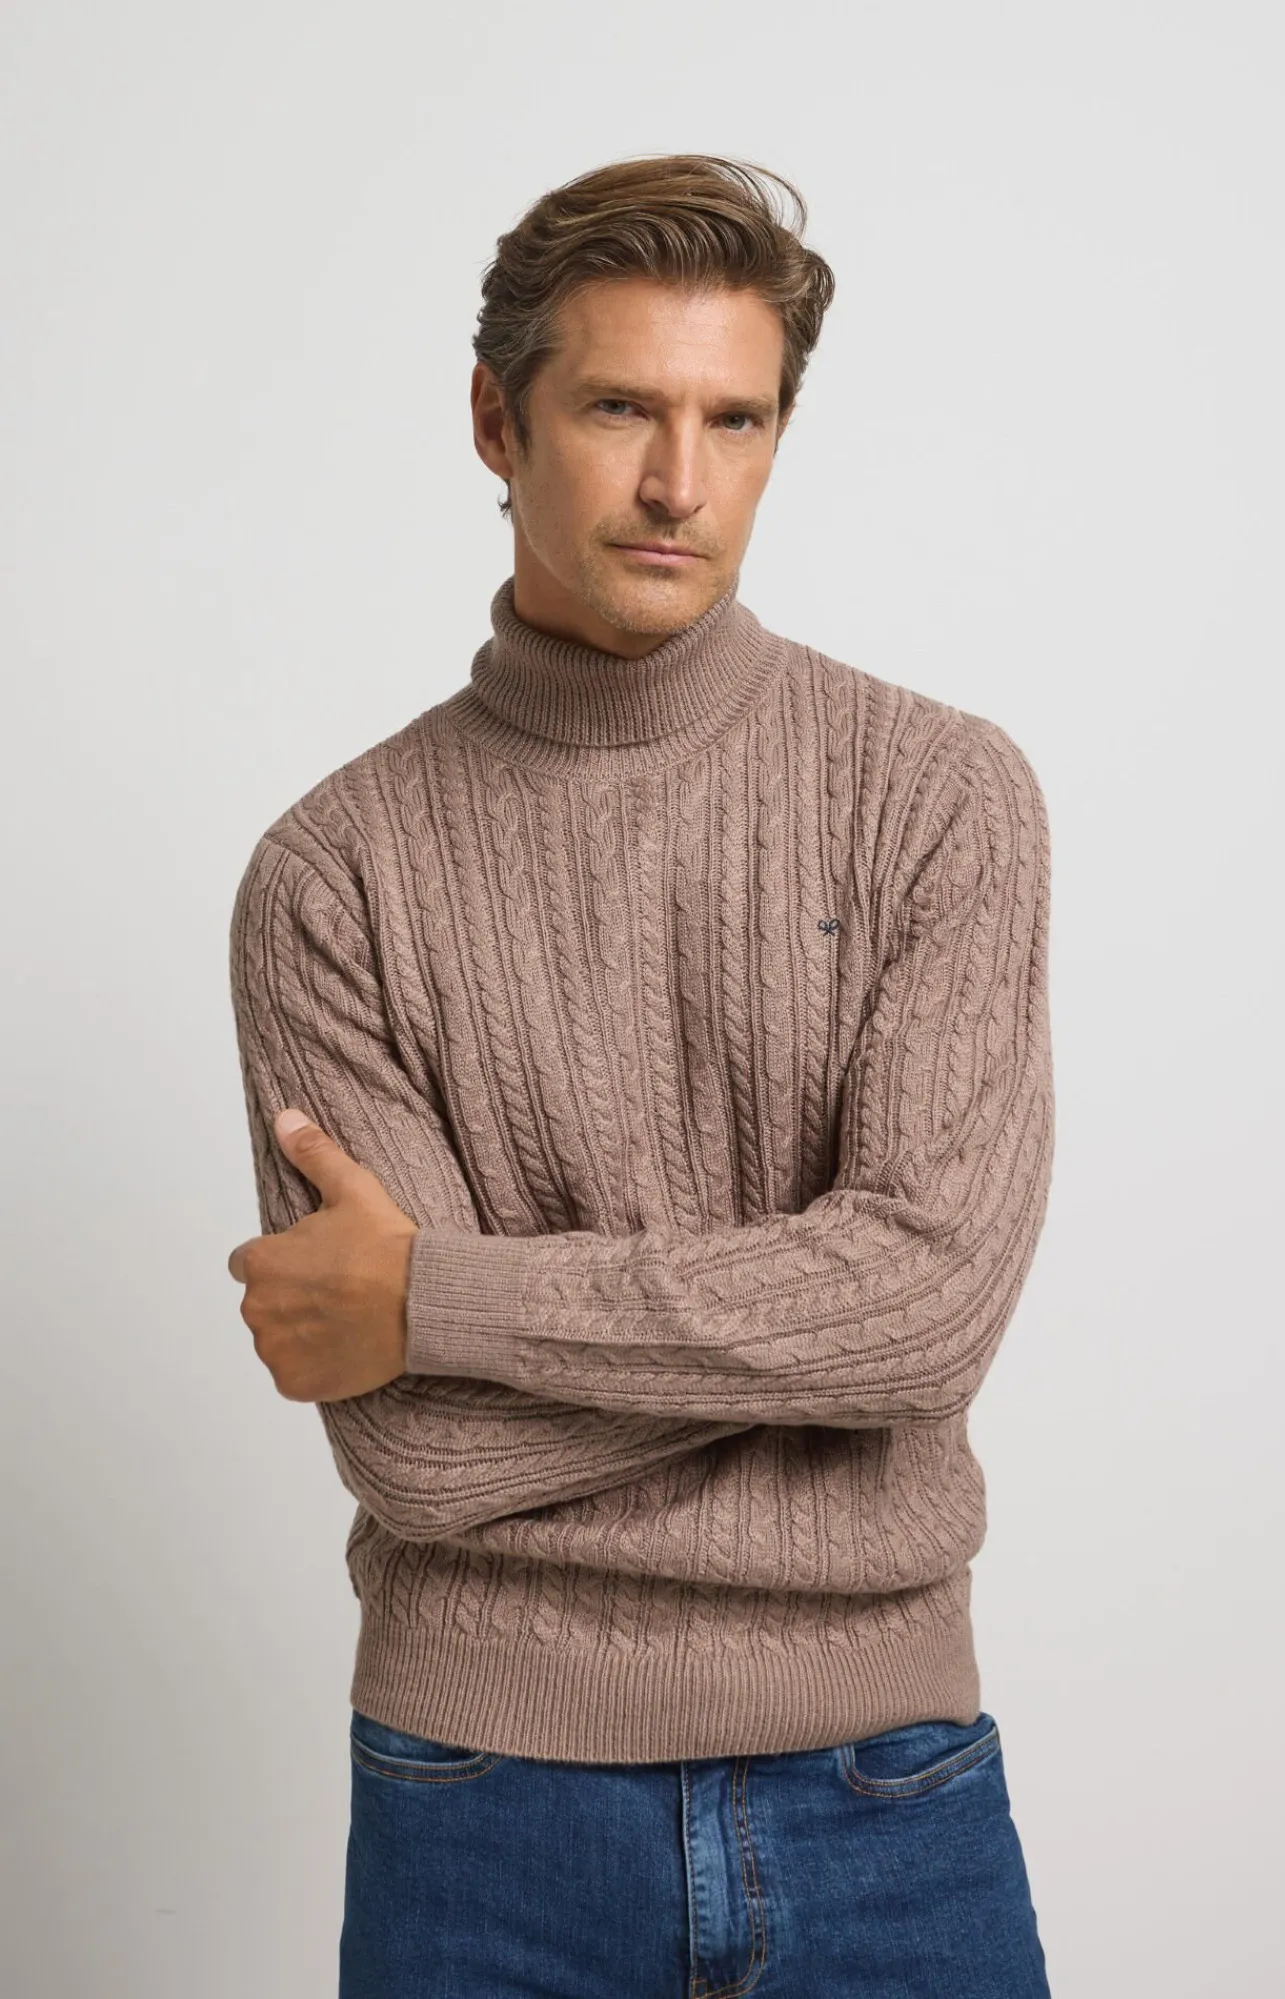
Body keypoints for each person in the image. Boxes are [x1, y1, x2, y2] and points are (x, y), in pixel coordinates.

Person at [227, 151, 1055, 1999]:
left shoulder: (938, 797)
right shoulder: (332, 875)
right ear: (495, 421)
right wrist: (806, 1333)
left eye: (733, 419)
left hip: (886, 1784)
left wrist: (433, 1298)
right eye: (620, 409)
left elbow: (925, 1309)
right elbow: (420, 1446)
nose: (682, 481)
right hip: (479, 1805)